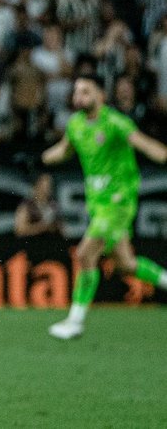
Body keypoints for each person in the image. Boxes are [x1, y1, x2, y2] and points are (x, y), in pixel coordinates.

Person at [41, 74, 167, 339]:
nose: (79, 97)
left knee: (85, 254)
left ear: (101, 95)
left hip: (119, 202)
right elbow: (64, 150)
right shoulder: (75, 124)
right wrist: (39, 159)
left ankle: (75, 321)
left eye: (86, 91)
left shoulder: (115, 122)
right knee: (126, 265)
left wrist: (163, 154)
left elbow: (144, 144)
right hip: (98, 205)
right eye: (77, 91)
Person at [13, 172, 62, 237]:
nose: (46, 189)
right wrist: (42, 227)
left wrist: (56, 226)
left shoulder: (54, 206)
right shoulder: (26, 206)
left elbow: (62, 229)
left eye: (49, 186)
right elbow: (19, 230)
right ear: (37, 186)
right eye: (43, 186)